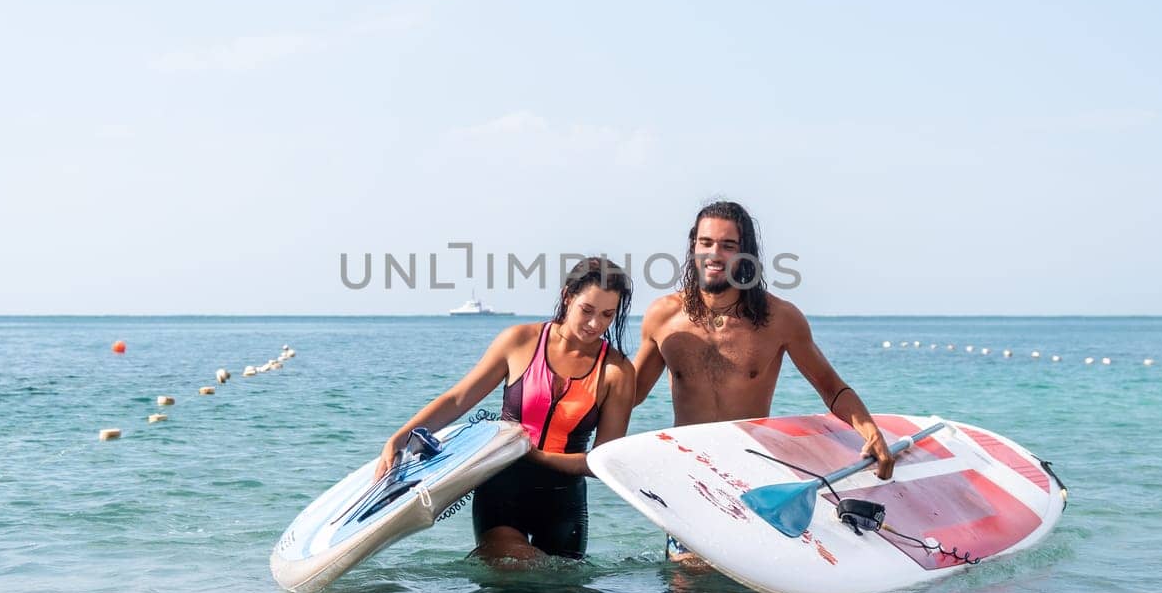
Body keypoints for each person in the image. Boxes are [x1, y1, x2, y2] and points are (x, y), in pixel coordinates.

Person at [632, 201, 892, 558]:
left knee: (755, 586)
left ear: (747, 254)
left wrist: (869, 430)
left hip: (750, 474)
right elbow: (628, 394)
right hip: (689, 475)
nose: (714, 254)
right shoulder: (663, 317)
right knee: (688, 587)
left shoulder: (780, 319)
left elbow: (831, 388)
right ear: (693, 246)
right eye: (706, 243)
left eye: (728, 245)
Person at [375, 257, 636, 563]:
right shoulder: (519, 341)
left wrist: (535, 455)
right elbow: (458, 399)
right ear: (568, 297)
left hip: (564, 502)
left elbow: (602, 462)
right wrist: (399, 439)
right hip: (502, 489)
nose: (595, 324)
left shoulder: (617, 371)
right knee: (512, 568)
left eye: (607, 315)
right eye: (587, 311)